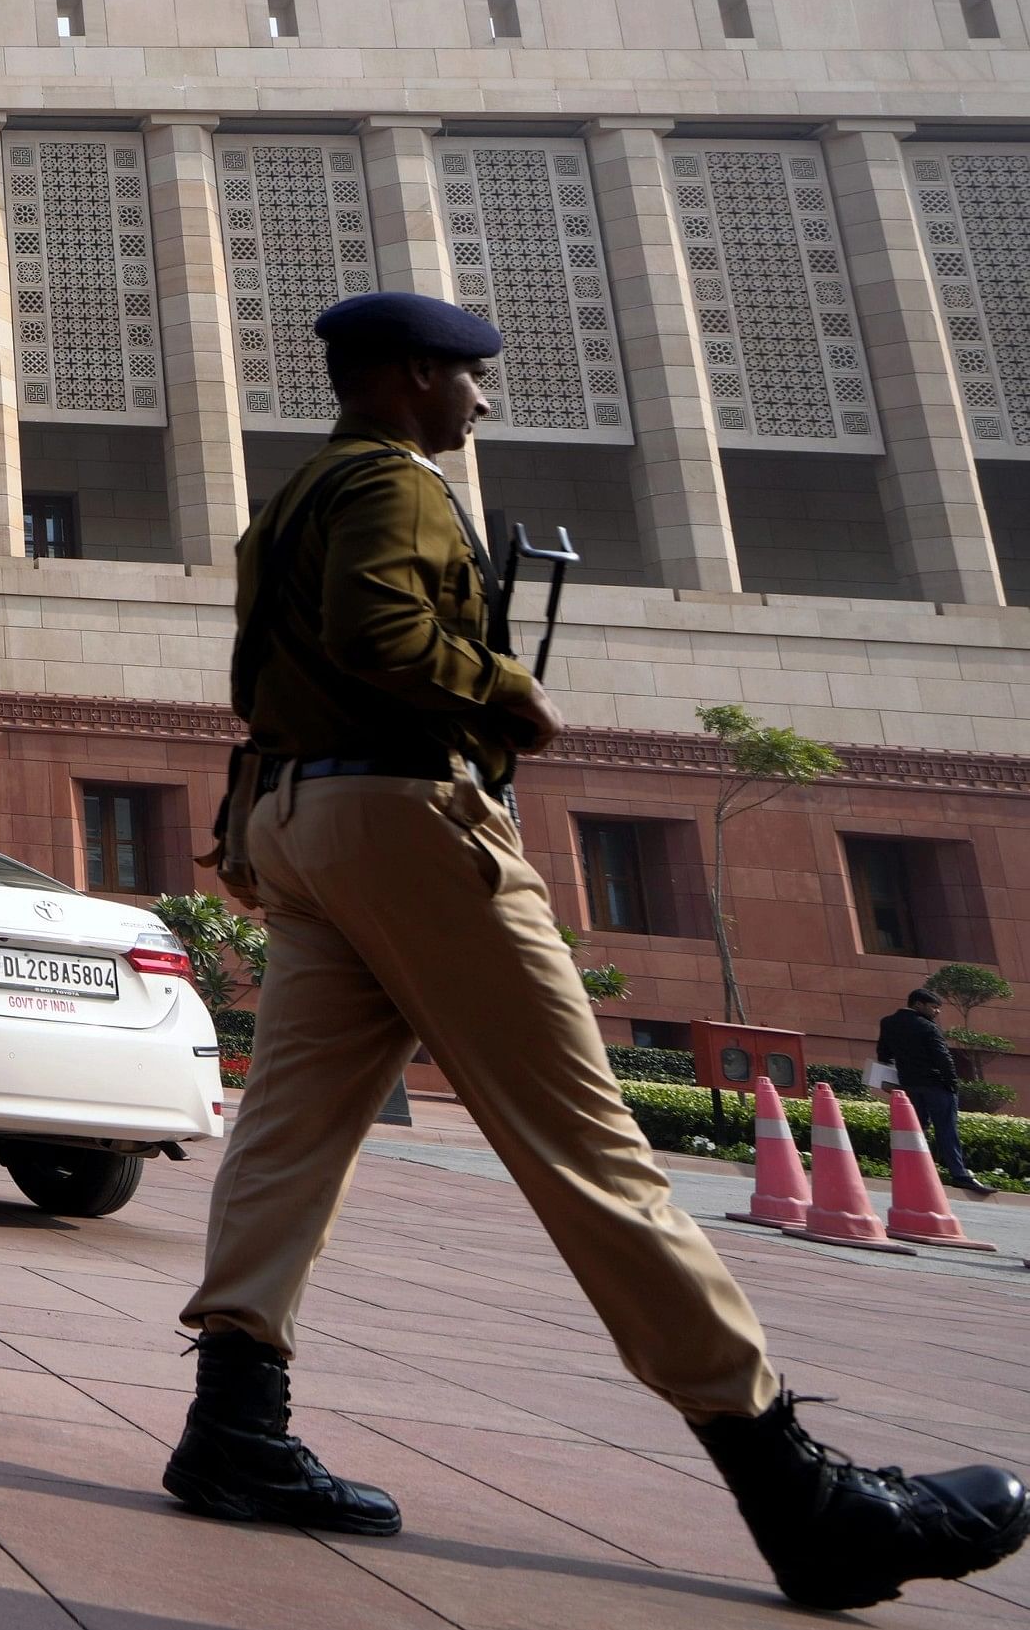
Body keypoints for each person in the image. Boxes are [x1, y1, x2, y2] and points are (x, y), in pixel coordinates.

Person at [166, 291, 1023, 1612]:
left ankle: (233, 1421)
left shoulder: (287, 497)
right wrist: (509, 693)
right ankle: (790, 1487)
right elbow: (378, 636)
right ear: (404, 377)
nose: (480, 402)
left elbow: (266, 675)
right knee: (591, 1148)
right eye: (465, 377)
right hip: (404, 812)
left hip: (296, 816)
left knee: (286, 1132)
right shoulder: (394, 485)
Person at [882, 987, 992, 1198]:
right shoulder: (928, 1027)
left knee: (916, 1130)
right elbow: (943, 1057)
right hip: (936, 1086)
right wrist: (952, 1084)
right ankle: (959, 1174)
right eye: (933, 1007)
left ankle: (911, 1170)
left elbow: (883, 1053)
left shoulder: (888, 1023)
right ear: (918, 1005)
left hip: (910, 1085)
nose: (937, 1012)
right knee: (947, 1130)